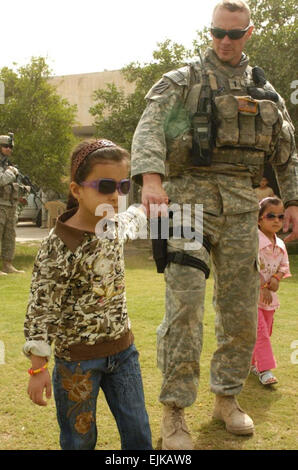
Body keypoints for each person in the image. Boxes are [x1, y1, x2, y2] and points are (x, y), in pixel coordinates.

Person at [131, 0, 298, 450]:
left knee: (242, 309)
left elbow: (286, 148)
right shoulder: (181, 81)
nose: (224, 41)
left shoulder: (266, 92)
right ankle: (174, 412)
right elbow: (149, 128)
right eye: (217, 33)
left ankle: (227, 398)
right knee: (183, 310)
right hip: (184, 201)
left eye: (234, 33)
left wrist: (294, 200)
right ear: (210, 32)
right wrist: (151, 179)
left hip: (244, 206)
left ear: (249, 33)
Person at [23, 139, 152, 450]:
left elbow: (136, 215)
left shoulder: (116, 225)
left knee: (138, 432)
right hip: (77, 364)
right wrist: (38, 367)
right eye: (105, 185)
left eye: (122, 186)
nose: (115, 194)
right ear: (76, 189)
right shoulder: (59, 245)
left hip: (124, 354)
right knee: (79, 439)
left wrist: (149, 202)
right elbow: (42, 308)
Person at [251, 197, 291, 385]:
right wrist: (262, 286)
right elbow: (249, 266)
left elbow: (284, 267)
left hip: (270, 300)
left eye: (280, 216)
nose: (276, 220)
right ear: (259, 219)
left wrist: (276, 278)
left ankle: (251, 363)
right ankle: (265, 370)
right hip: (252, 298)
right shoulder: (253, 242)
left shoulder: (281, 245)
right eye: (271, 216)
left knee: (266, 330)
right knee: (261, 333)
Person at [0, 134, 26, 274]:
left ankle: (7, 264)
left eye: (10, 147)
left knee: (10, 235)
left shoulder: (7, 165)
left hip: (10, 204)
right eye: (6, 146)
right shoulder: (7, 168)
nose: (9, 149)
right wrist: (11, 173)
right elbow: (1, 181)